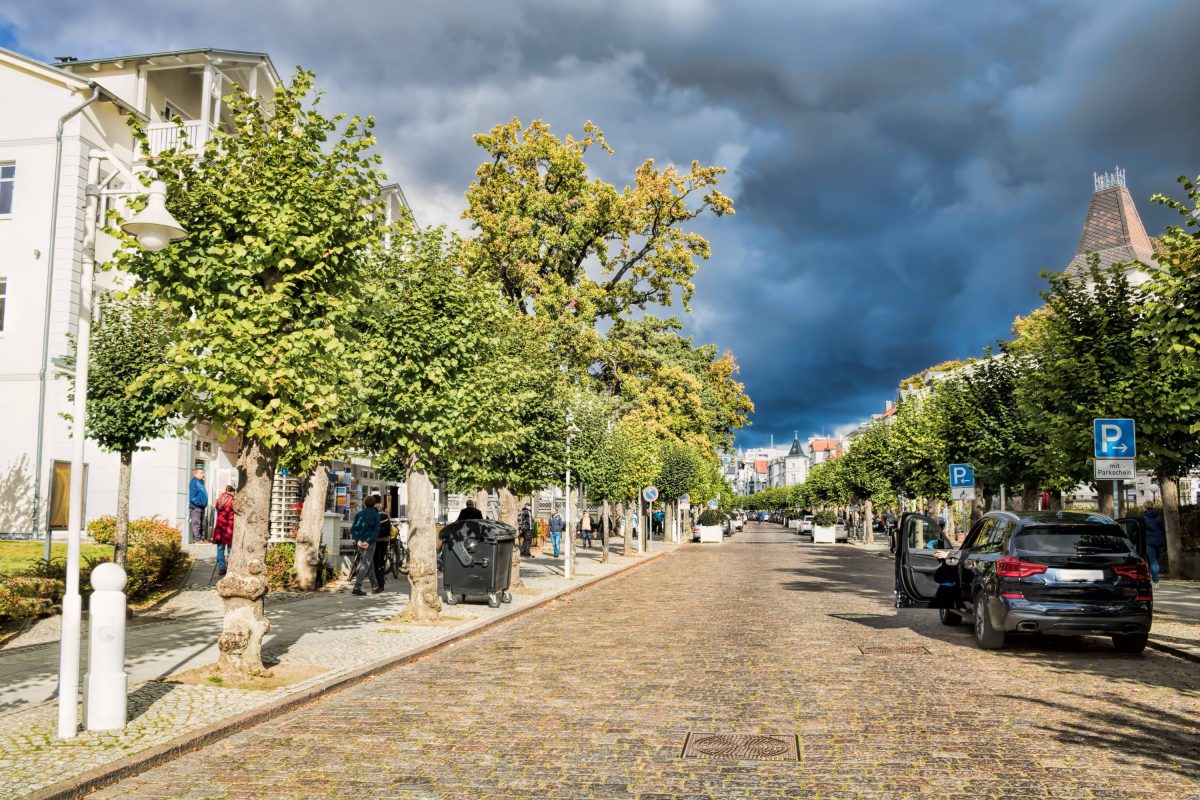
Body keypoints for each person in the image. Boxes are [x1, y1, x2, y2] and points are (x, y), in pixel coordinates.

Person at [350, 495, 382, 596]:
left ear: (364, 503)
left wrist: (357, 540)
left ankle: (375, 586)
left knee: (369, 563)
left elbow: (354, 529)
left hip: (360, 542)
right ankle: (357, 586)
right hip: (370, 542)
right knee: (366, 563)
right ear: (373, 504)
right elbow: (376, 530)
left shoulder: (359, 514)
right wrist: (369, 540)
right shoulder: (376, 514)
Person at [211, 485, 236, 574]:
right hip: (229, 527)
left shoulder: (219, 500)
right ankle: (230, 566)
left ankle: (221, 567)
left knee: (220, 548)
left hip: (220, 526)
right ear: (232, 492)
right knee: (230, 548)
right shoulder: (233, 501)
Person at [1142, 502, 1166, 589]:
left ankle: (1156, 581)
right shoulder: (1158, 516)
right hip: (1159, 541)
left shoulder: (1143, 517)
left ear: (1144, 507)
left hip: (1149, 541)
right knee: (1155, 562)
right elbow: (1162, 529)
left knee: (1152, 562)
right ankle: (1154, 575)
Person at [373, 499, 394, 593]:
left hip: (376, 541)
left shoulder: (374, 515)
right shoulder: (385, 515)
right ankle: (382, 581)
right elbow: (390, 528)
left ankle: (379, 583)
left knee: (376, 562)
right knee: (382, 561)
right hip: (385, 540)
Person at [188, 468, 209, 543]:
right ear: (195, 474)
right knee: (196, 523)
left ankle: (201, 538)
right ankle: (197, 539)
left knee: (202, 523)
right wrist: (199, 503)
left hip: (202, 506)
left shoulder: (200, 482)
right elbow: (192, 496)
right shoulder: (194, 482)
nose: (202, 474)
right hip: (196, 507)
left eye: (203, 473)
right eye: (201, 473)